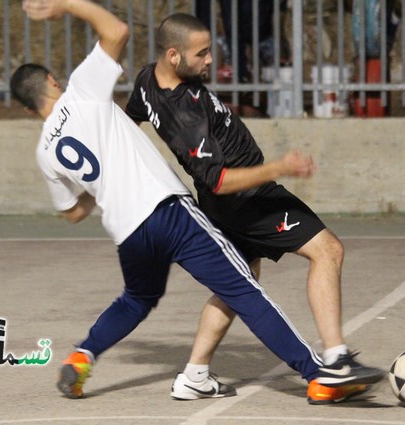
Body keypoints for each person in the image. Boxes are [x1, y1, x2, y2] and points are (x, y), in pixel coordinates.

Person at [11, 0, 368, 404]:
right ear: (54, 81)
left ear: (27, 109)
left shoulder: (44, 151)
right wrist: (67, 4)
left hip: (128, 231)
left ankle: (83, 356)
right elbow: (117, 32)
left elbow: (73, 212)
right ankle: (320, 374)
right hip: (168, 211)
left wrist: (101, 183)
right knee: (245, 291)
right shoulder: (82, 91)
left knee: (136, 299)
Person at [125, 12, 384, 402]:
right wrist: (278, 167)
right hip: (247, 200)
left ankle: (194, 374)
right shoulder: (185, 112)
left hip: (224, 205)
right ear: (174, 56)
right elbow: (219, 179)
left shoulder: (147, 80)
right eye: (203, 53)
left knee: (238, 283)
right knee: (327, 250)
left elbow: (128, 122)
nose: (211, 59)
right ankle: (336, 361)